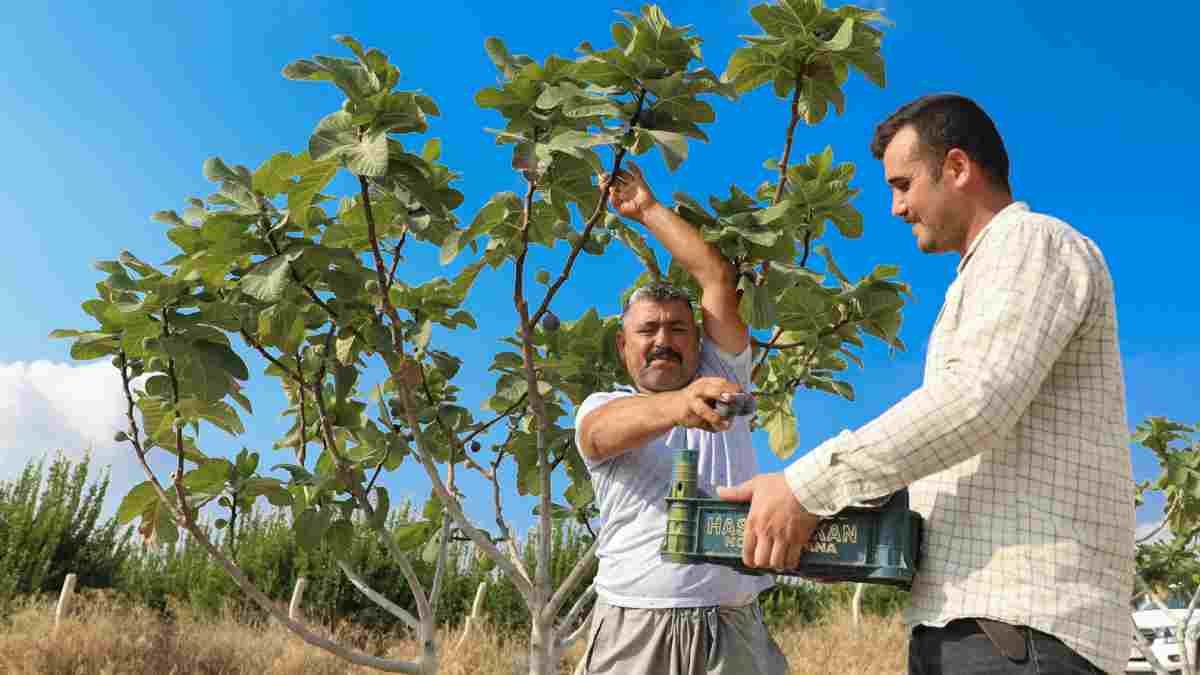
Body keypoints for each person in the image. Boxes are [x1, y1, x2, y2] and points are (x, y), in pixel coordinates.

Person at [718, 94, 1135, 674]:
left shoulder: (1029, 242)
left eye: (903, 184)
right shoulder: (985, 272)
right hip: (980, 626)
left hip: (1016, 626)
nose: (896, 208)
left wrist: (806, 488)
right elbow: (960, 447)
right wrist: (840, 530)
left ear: (957, 167)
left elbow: (974, 402)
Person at [572, 162, 788, 675]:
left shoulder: (724, 372)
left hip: (732, 625)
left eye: (677, 329)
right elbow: (599, 436)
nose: (662, 340)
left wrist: (647, 209)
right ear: (623, 345)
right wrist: (682, 405)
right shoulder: (603, 406)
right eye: (647, 330)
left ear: (699, 339)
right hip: (635, 625)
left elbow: (716, 276)